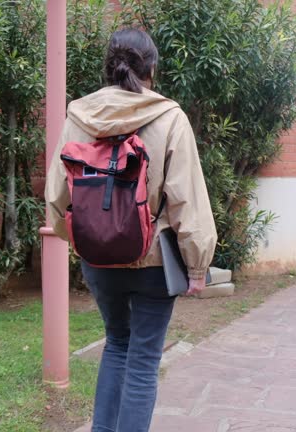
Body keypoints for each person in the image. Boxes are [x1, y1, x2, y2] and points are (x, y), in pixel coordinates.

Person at [45, 28, 217, 432]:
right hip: (154, 260)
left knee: (116, 346)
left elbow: (56, 197)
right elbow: (187, 200)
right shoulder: (169, 117)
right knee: (142, 360)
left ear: (109, 66)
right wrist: (196, 267)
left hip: (98, 260)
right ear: (151, 68)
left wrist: (86, 242)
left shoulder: (79, 118)